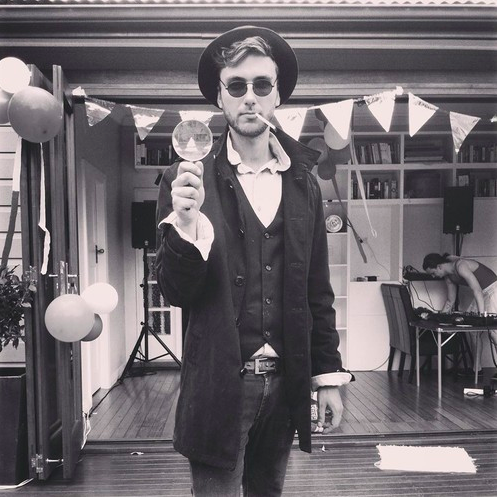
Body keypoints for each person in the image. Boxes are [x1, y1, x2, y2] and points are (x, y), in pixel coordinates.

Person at [155, 25, 353, 496]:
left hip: (285, 386)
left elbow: (317, 290)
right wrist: (185, 226)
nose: (250, 97)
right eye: (237, 86)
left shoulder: (303, 182)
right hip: (218, 386)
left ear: (277, 95)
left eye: (262, 85)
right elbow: (176, 291)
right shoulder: (186, 179)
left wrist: (327, 378)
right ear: (219, 97)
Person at [423, 252, 497, 377]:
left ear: (439, 266)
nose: (434, 276)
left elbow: (477, 290)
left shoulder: (460, 265)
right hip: (481, 293)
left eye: (433, 273)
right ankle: (477, 370)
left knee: (493, 331)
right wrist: (439, 318)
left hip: (492, 289)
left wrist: (482, 317)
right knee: (473, 331)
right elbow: (450, 301)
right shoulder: (448, 278)